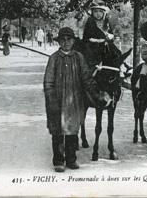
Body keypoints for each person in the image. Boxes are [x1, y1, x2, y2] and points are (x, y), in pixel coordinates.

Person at [44, 27, 107, 172]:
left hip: (74, 100)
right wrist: (51, 100)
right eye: (63, 40)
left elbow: (87, 79)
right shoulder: (54, 58)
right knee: (58, 131)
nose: (66, 42)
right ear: (59, 42)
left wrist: (97, 94)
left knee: (72, 131)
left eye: (69, 39)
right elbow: (48, 82)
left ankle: (71, 159)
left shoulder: (79, 57)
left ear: (73, 41)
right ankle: (59, 160)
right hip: (57, 101)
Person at [82, 0, 115, 68]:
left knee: (115, 52)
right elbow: (87, 38)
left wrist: (110, 37)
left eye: (100, 12)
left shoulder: (107, 23)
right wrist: (100, 40)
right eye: (95, 11)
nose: (98, 14)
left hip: (105, 46)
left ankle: (120, 66)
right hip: (92, 46)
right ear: (92, 13)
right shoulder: (90, 22)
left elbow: (111, 34)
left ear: (104, 13)